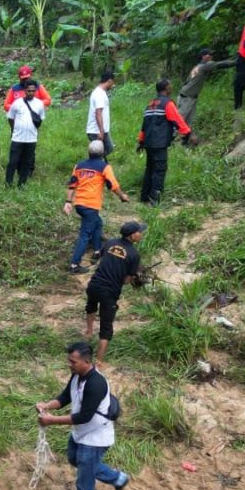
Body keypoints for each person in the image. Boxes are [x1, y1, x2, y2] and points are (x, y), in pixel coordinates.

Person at [36, 343, 129, 490]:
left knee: (85, 475)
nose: (69, 364)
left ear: (86, 361)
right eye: (69, 360)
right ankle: (118, 478)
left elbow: (83, 417)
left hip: (95, 437)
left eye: (73, 361)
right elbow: (65, 397)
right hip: (81, 433)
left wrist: (51, 420)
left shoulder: (96, 383)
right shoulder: (77, 375)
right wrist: (47, 405)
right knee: (74, 459)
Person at [63, 140, 128, 274]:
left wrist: (68, 201)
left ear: (89, 152)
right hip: (91, 205)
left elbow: (72, 184)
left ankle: (97, 251)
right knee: (85, 235)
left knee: (98, 223)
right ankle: (74, 265)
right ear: (102, 153)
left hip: (79, 204)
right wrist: (122, 196)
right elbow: (113, 185)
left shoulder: (79, 166)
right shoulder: (104, 167)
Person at [84, 222, 145, 364]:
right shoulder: (134, 254)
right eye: (139, 232)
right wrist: (134, 277)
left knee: (91, 306)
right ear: (132, 235)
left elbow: (104, 258)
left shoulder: (110, 242)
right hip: (109, 292)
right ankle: (99, 361)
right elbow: (126, 281)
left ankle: (88, 332)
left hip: (94, 284)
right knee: (106, 326)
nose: (141, 234)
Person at [137, 79, 194, 206]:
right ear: (165, 88)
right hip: (159, 143)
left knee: (150, 169)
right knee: (160, 170)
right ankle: (155, 201)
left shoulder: (150, 104)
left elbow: (144, 125)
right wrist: (188, 133)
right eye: (170, 86)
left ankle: (144, 197)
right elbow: (177, 120)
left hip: (148, 143)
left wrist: (141, 141)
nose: (171, 88)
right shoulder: (167, 104)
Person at [177, 48, 236, 126]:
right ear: (203, 56)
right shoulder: (205, 66)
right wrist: (236, 62)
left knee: (188, 122)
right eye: (209, 55)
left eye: (211, 55)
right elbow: (221, 64)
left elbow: (187, 81)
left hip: (188, 96)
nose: (211, 56)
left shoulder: (197, 66)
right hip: (187, 97)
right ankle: (171, 136)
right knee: (180, 121)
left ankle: (188, 137)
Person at [5, 79, 44, 187]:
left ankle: (22, 184)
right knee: (13, 162)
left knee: (26, 163)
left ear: (35, 91)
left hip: (31, 139)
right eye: (28, 91)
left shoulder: (39, 104)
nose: (30, 93)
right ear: (24, 91)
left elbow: (40, 119)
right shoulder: (17, 103)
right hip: (17, 138)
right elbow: (10, 117)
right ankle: (8, 184)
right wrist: (14, 129)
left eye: (33, 91)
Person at [87, 71, 116, 156]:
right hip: (96, 130)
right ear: (109, 81)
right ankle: (92, 165)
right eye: (112, 82)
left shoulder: (100, 92)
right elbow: (98, 112)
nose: (113, 85)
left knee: (106, 149)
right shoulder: (99, 94)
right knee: (106, 149)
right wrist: (101, 131)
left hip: (100, 130)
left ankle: (98, 164)